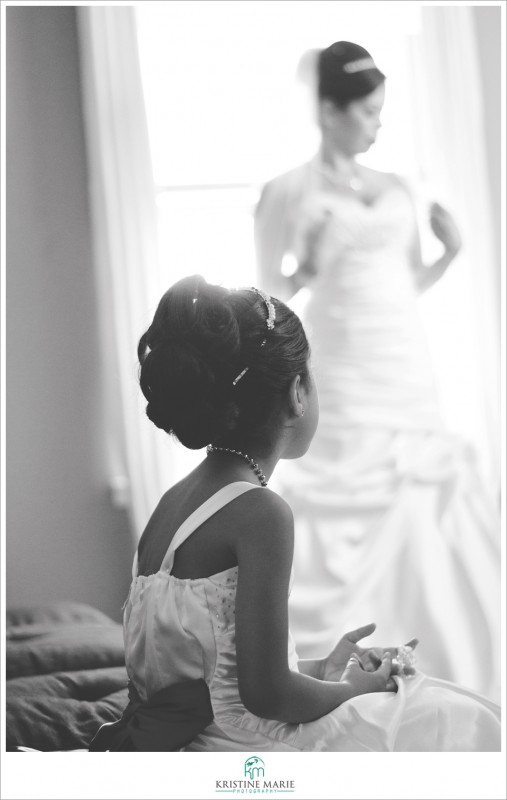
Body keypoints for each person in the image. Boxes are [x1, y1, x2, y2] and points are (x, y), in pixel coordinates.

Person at [93, 274, 500, 752]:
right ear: (298, 393)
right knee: (457, 718)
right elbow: (267, 696)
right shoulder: (261, 513)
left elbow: (216, 671)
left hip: (184, 737)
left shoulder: (173, 502)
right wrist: (354, 690)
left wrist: (324, 669)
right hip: (238, 749)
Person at [254, 41, 501, 701]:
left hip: (404, 363)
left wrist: (449, 255)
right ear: (329, 111)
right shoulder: (286, 192)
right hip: (340, 362)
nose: (377, 125)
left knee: (427, 501)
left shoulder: (397, 188)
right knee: (347, 511)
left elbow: (401, 283)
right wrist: (301, 270)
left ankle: (454, 676)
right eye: (367, 112)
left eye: (382, 112)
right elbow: (265, 299)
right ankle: (345, 676)